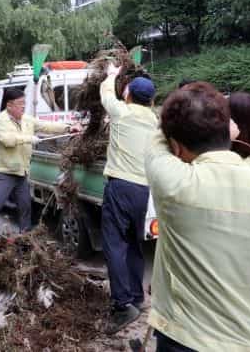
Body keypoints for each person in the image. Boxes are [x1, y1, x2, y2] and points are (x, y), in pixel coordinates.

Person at [145, 82, 250, 352]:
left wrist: (175, 123)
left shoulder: (173, 186)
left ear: (176, 148)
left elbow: (155, 143)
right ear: (229, 132)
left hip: (182, 339)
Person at [98, 64, 159, 334]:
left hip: (120, 186)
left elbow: (105, 94)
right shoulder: (156, 122)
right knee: (135, 244)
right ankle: (136, 296)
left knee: (113, 245)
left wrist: (112, 73)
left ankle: (122, 305)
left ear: (128, 95)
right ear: (152, 100)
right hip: (144, 191)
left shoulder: (121, 112)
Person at [0, 88, 82, 244]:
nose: (23, 107)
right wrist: (28, 139)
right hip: (4, 173)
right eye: (20, 104)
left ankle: (24, 240)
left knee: (25, 208)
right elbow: (7, 140)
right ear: (9, 105)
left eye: (24, 103)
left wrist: (68, 127)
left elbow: (46, 126)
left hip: (22, 173)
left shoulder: (27, 119)